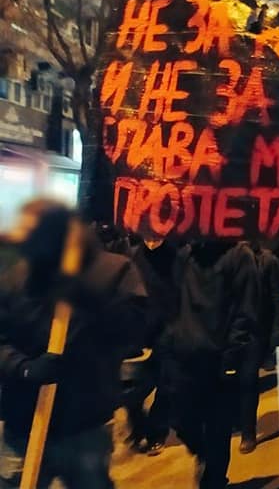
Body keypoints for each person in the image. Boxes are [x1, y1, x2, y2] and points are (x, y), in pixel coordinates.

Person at [0, 201, 147, 489]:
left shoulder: (115, 271)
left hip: (85, 424)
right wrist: (25, 368)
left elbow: (135, 331)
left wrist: (91, 300)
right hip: (23, 422)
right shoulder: (13, 277)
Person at [166, 239, 259, 489]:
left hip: (219, 359)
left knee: (218, 427)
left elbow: (246, 310)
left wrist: (232, 357)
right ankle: (205, 455)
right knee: (181, 420)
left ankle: (214, 480)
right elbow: (173, 300)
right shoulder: (186, 254)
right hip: (184, 357)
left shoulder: (240, 255)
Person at [123, 235, 180, 456]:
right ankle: (139, 427)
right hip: (141, 332)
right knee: (134, 389)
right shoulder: (134, 256)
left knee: (167, 384)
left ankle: (157, 431)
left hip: (170, 330)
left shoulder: (176, 254)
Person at [239, 242, 279, 454]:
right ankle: (240, 421)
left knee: (248, 379)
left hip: (255, 331)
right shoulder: (227, 260)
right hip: (229, 330)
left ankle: (247, 431)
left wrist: (277, 335)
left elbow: (277, 299)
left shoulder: (268, 261)